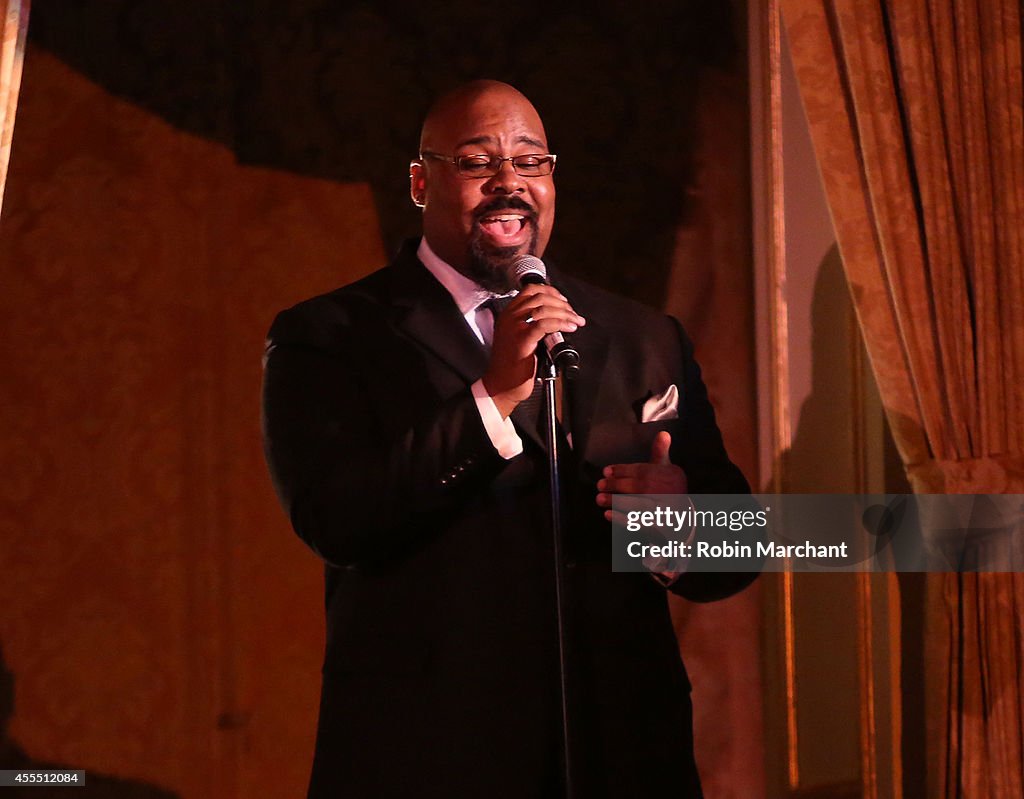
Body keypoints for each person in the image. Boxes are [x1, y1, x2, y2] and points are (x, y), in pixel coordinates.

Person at [262, 80, 753, 799]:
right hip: (433, 760)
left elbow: (739, 547)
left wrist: (686, 524)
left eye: (530, 161)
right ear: (420, 182)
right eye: (476, 161)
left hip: (624, 757)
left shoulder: (642, 335)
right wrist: (491, 398)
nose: (508, 183)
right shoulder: (330, 335)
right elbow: (337, 518)